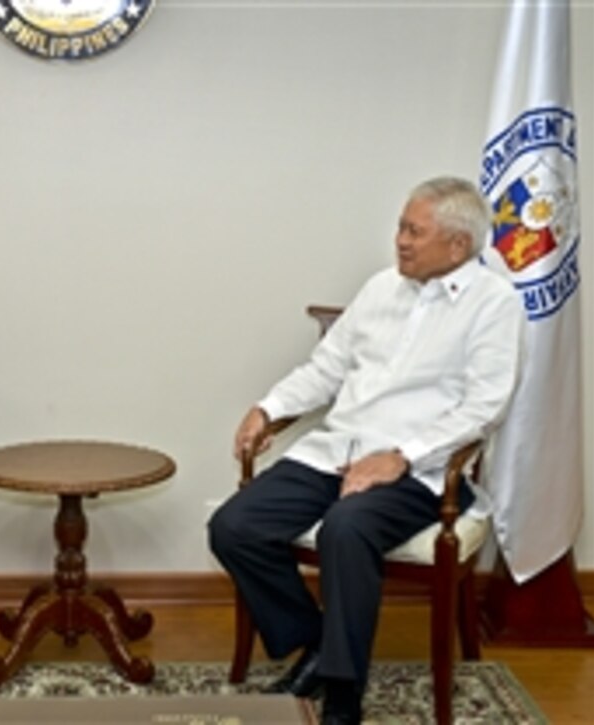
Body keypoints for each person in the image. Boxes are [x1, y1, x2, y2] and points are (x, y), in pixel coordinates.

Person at [207, 176, 524, 724]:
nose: (399, 240)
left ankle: (343, 693)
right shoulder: (381, 288)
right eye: (401, 226)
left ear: (457, 246)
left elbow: (485, 408)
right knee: (234, 526)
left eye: (413, 231)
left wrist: (401, 455)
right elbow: (326, 370)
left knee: (346, 529)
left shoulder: (494, 305)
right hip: (337, 450)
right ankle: (318, 645)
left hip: (420, 473)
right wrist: (268, 407)